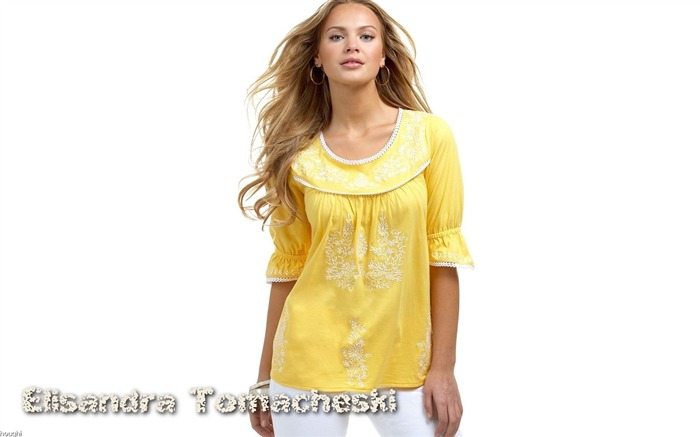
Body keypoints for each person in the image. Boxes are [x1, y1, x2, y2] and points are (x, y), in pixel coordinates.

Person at [238, 1, 474, 436]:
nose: (352, 45)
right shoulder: (297, 154)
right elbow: (290, 267)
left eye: (366, 36)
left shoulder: (429, 137)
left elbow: (442, 257)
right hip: (307, 359)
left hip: (406, 361)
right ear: (317, 57)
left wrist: (444, 368)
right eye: (336, 36)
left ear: (383, 56)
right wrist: (264, 377)